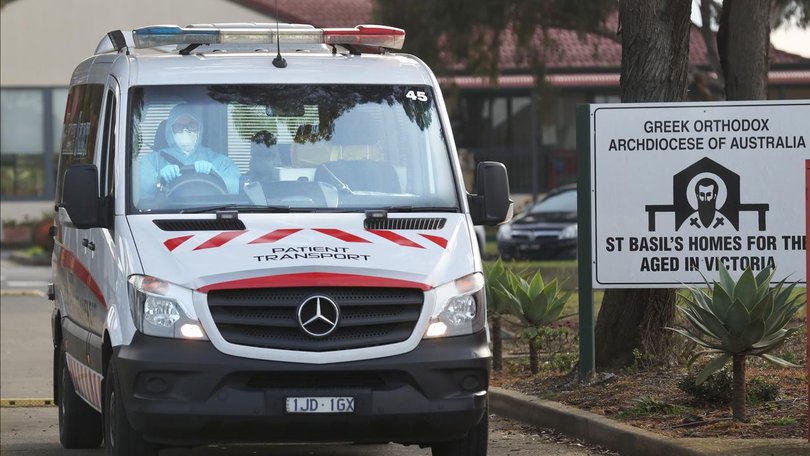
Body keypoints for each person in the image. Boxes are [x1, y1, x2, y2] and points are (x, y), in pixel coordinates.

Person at [139, 103, 240, 198]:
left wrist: (215, 174)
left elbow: (235, 188)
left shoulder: (219, 161)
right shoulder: (152, 161)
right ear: (170, 130)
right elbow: (139, 192)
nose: (185, 130)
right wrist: (157, 179)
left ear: (199, 128)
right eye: (178, 126)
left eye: (191, 125)